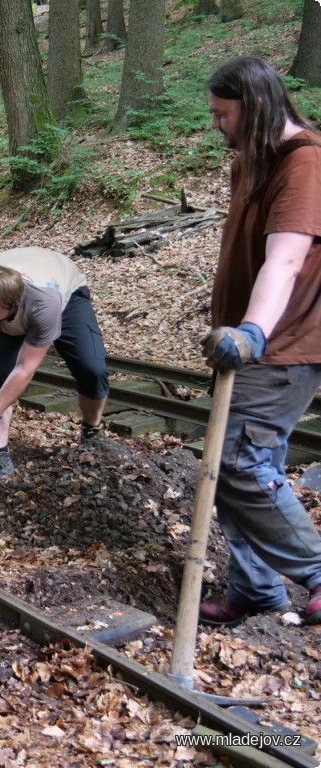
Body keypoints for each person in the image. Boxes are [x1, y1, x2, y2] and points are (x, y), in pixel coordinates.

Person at [198, 56, 321, 627]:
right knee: (238, 464)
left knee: (238, 462)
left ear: (256, 105)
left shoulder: (304, 163)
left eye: (224, 114)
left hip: (283, 343)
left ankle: (316, 570)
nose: (217, 125)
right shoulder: (252, 161)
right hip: (250, 344)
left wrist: (252, 331)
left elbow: (288, 258)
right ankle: (255, 589)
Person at [0, 247, 110, 482]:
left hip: (66, 293)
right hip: (15, 302)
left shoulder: (45, 305)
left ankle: (91, 429)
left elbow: (25, 368)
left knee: (91, 370)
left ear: (12, 304)